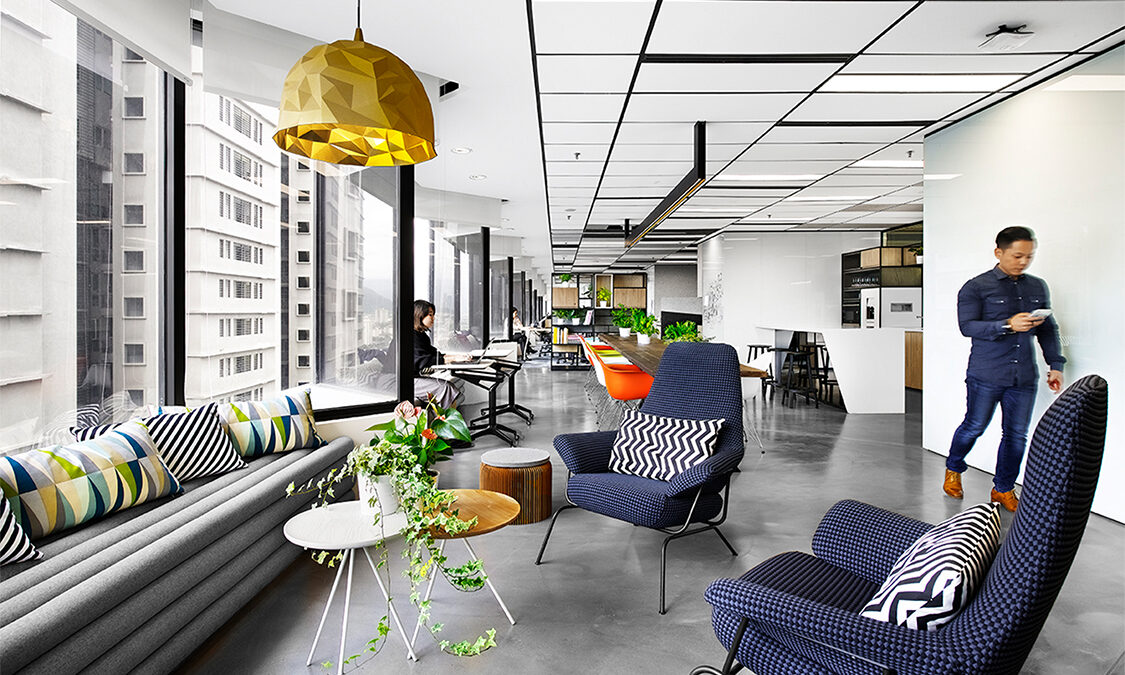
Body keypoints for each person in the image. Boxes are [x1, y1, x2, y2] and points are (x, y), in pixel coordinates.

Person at [943, 226, 1065, 512]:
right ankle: (954, 467)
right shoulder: (976, 287)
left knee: (1016, 435)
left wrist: (1055, 364)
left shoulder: (1037, 286)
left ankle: (1003, 488)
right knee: (974, 426)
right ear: (999, 252)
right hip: (986, 374)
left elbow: (1048, 329)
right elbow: (967, 327)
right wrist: (1008, 325)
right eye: (1017, 255)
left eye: (1029, 257)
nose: (1023, 262)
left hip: (1023, 376)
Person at [413, 299, 463, 408]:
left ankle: (443, 422)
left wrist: (456, 357)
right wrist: (449, 359)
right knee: (446, 388)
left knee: (448, 387)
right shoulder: (411, 336)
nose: (433, 318)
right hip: (398, 381)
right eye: (430, 315)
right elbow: (422, 361)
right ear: (419, 315)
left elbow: (433, 353)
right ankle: (443, 423)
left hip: (414, 378)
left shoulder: (421, 336)